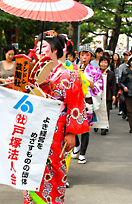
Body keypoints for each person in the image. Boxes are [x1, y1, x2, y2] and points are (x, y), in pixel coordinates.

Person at [23, 30, 89, 204]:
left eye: (43, 46)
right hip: (33, 129)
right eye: (36, 46)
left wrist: (72, 133)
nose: (38, 50)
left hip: (57, 130)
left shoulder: (69, 75)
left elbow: (76, 104)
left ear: (56, 51)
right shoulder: (29, 76)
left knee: (55, 169)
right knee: (30, 167)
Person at [71, 44, 103, 164]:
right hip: (75, 100)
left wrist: (87, 81)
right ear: (79, 56)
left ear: (91, 57)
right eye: (82, 54)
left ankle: (83, 153)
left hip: (87, 101)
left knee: (85, 128)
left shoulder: (95, 70)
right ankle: (77, 145)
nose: (84, 57)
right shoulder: (74, 68)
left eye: (87, 55)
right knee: (72, 126)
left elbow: (99, 87)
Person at [99, 56, 117, 135]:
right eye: (102, 62)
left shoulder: (111, 73)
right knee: (98, 110)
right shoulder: (96, 72)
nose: (103, 64)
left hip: (107, 95)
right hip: (98, 95)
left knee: (106, 111)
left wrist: (114, 95)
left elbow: (113, 85)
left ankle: (104, 127)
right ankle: (97, 124)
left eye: (105, 62)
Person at [118, 51, 131, 117]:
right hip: (124, 84)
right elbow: (119, 76)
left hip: (131, 84)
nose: (125, 57)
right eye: (124, 55)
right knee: (123, 99)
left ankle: (129, 113)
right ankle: (124, 111)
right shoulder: (121, 66)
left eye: (127, 55)